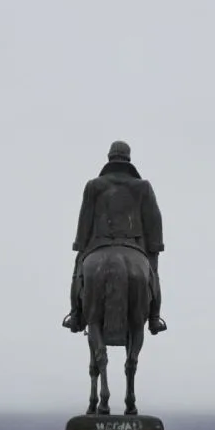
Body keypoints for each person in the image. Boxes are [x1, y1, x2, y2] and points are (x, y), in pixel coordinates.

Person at [62, 140, 167, 335]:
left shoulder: (94, 186)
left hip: (99, 244)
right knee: (153, 273)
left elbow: (85, 218)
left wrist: (80, 244)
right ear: (128, 158)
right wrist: (155, 246)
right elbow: (154, 219)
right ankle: (154, 318)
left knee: (78, 270)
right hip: (134, 245)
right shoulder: (143, 186)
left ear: (109, 157)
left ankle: (75, 315)